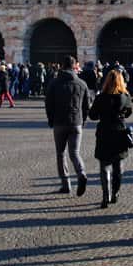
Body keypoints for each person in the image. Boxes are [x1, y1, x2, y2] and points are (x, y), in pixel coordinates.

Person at [44, 56, 92, 196]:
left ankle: (66, 184)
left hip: (59, 122)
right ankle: (81, 172)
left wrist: (50, 119)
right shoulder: (82, 84)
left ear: (62, 66)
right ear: (74, 66)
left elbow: (48, 104)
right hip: (76, 122)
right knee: (75, 152)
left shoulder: (54, 83)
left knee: (60, 154)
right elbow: (87, 106)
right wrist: (83, 121)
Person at [89, 69, 132, 207]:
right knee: (118, 166)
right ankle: (115, 193)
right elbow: (129, 112)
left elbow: (93, 115)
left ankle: (105, 195)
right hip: (119, 132)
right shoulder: (125, 96)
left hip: (104, 132)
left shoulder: (101, 97)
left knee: (104, 165)